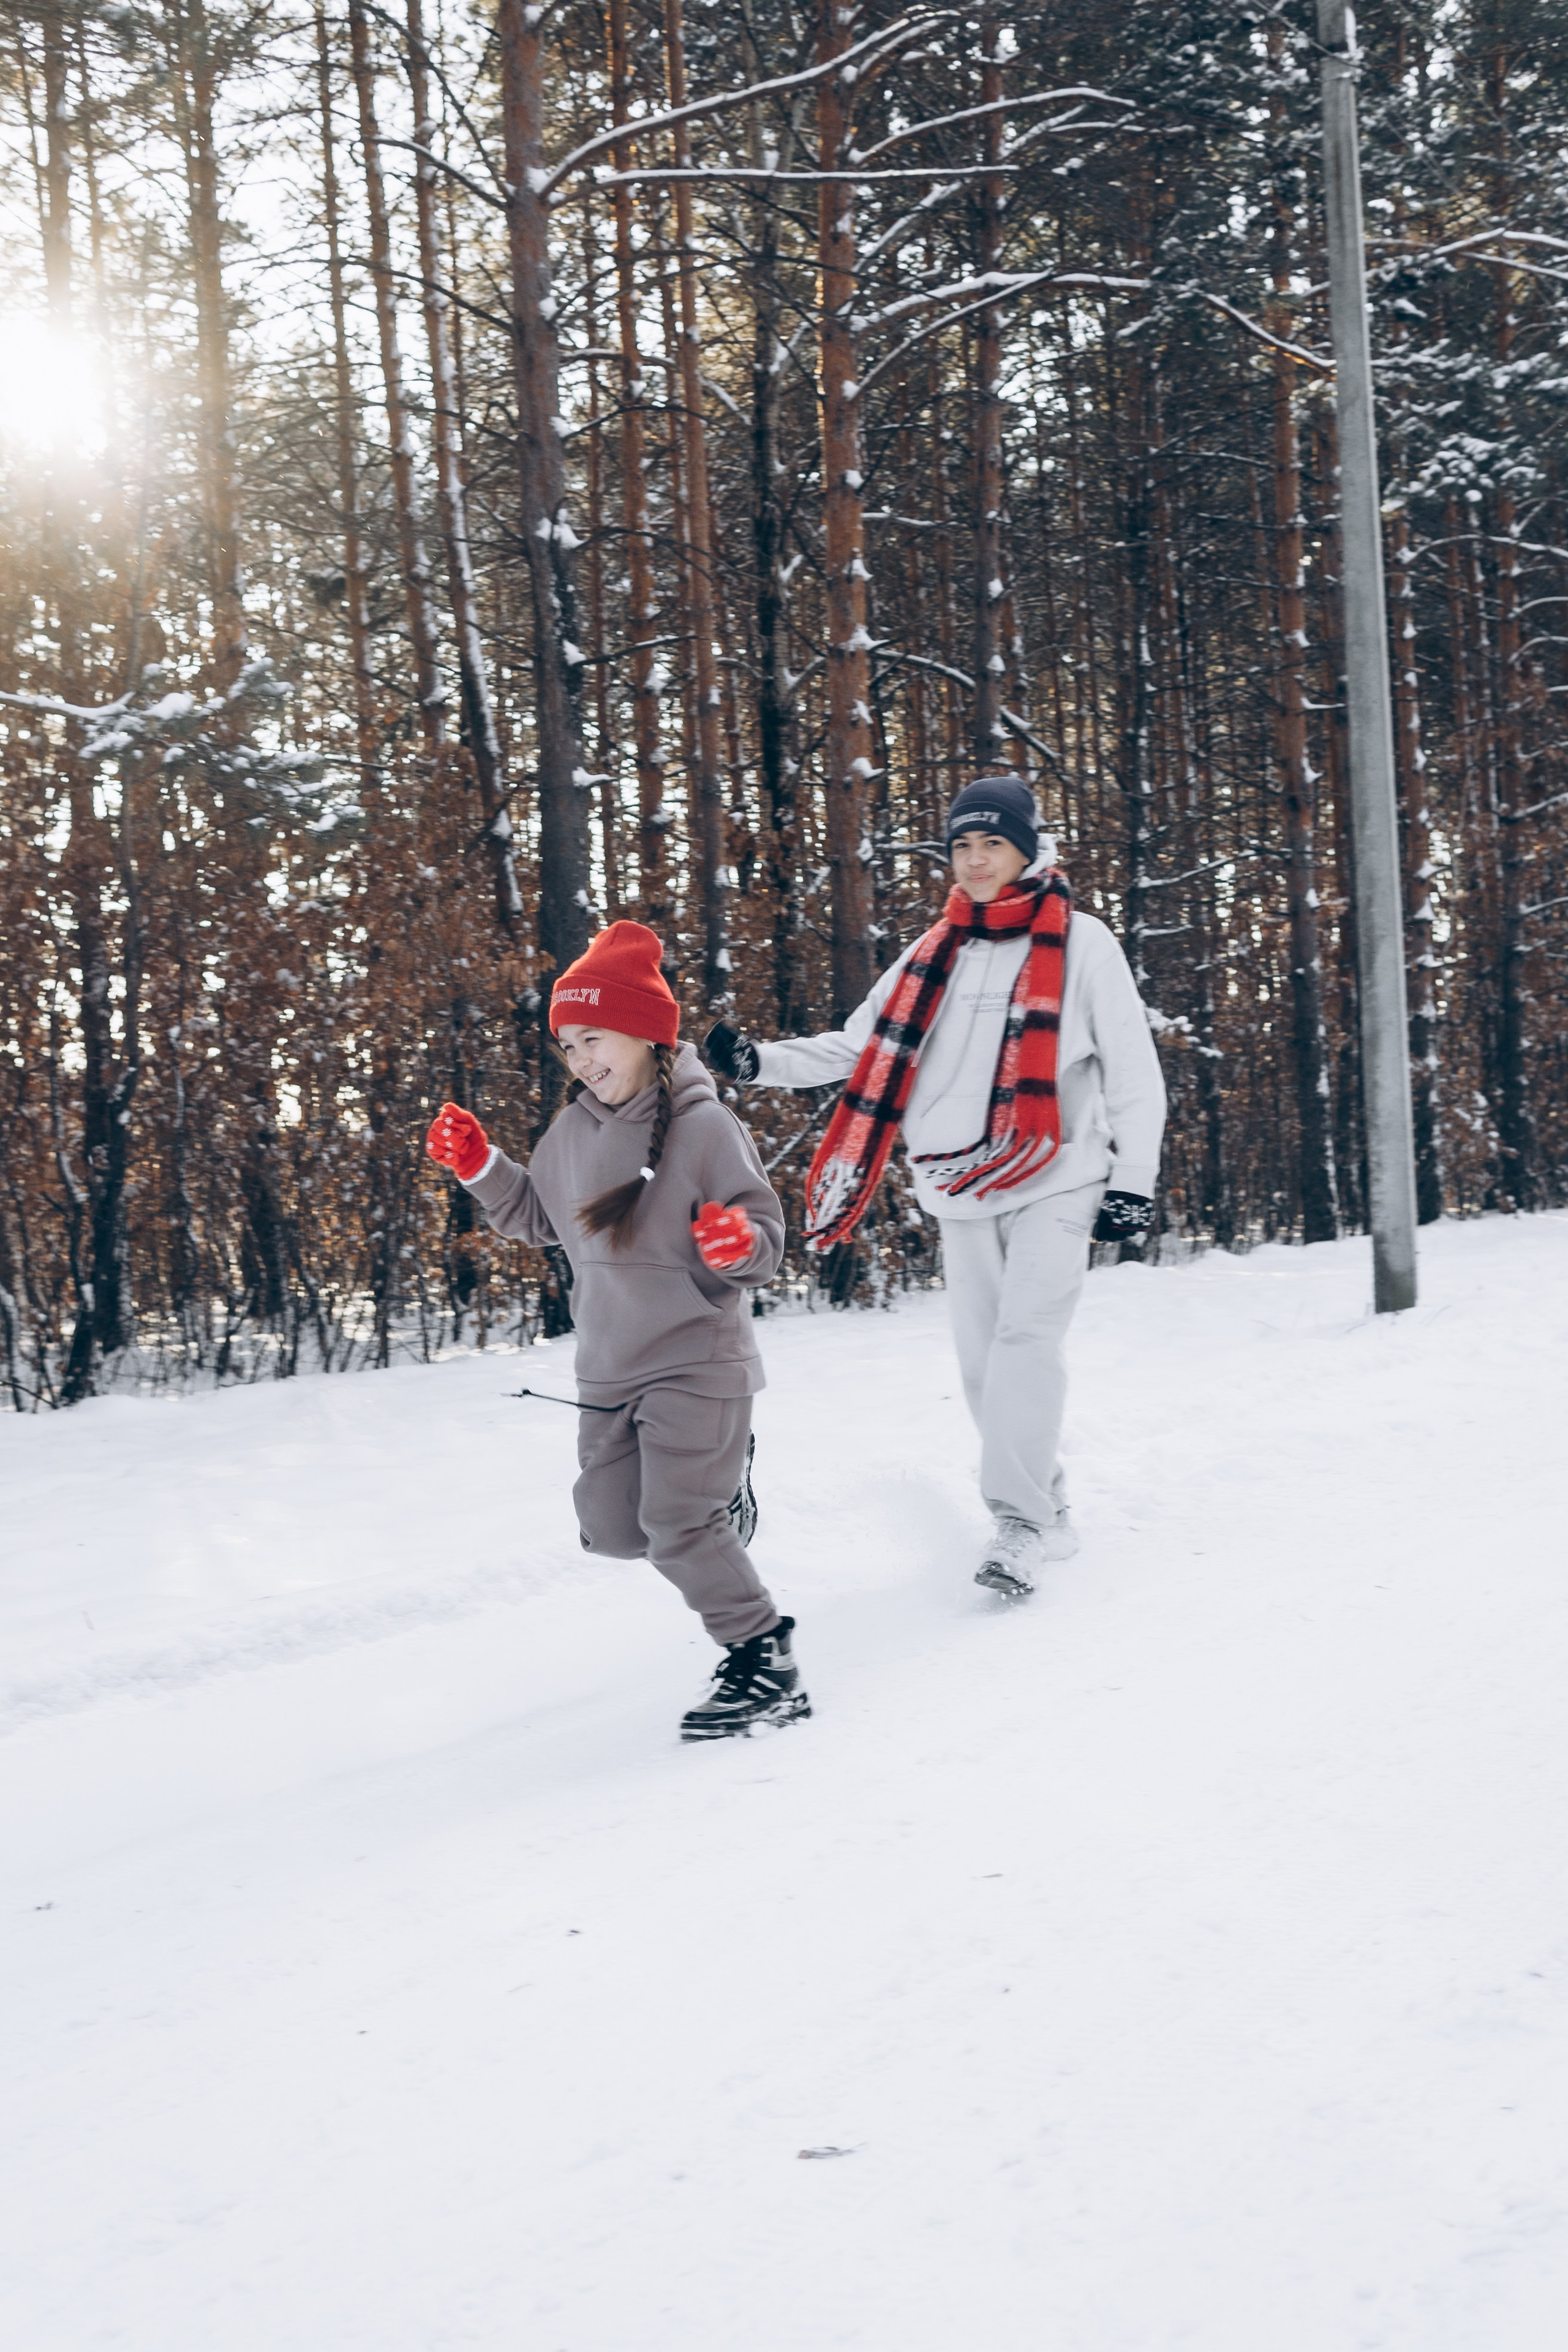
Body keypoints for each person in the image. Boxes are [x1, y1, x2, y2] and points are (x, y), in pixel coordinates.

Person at [705, 774, 1166, 1599]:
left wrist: (1133, 1178)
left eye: (993, 842)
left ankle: (1018, 1525)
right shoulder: (932, 953)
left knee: (1026, 1343)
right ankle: (1047, 1504)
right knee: (985, 1367)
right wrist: (761, 1062)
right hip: (956, 1185)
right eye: (962, 845)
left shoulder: (1082, 942)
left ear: (1028, 848)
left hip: (1060, 1176)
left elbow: (1133, 1070)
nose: (977, 859)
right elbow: (859, 1049)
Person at [425, 919, 810, 1742]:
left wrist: (739, 1245)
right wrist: (481, 1166)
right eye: (568, 1045)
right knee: (612, 1528)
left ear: (645, 1031)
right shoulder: (570, 1135)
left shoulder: (705, 1128)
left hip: (697, 1360)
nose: (582, 1059)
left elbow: (765, 1235)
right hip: (608, 1369)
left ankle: (763, 1657)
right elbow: (538, 1219)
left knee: (676, 1526)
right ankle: (720, 1501)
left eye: (593, 1036)